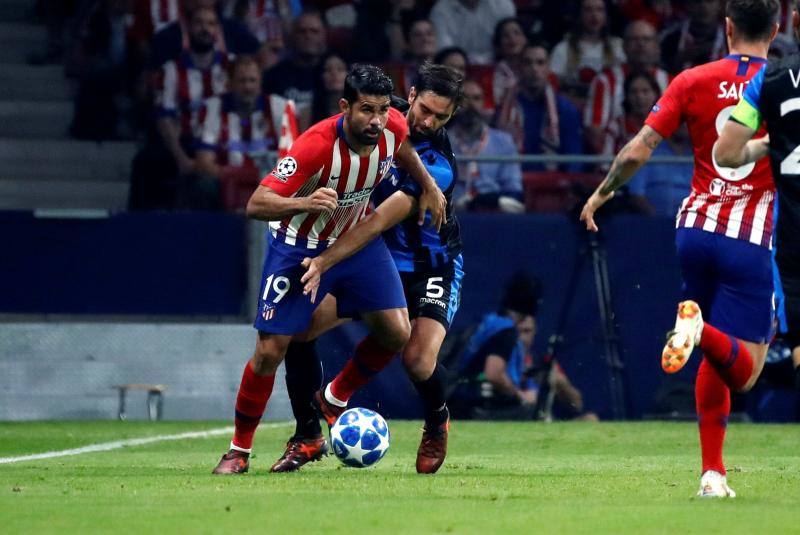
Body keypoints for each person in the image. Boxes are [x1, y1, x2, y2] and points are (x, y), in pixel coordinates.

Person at [579, 0, 780, 498]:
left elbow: (638, 148)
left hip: (694, 229)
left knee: (713, 355)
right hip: (750, 234)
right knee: (747, 371)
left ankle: (712, 475)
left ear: (728, 28)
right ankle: (698, 329)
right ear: (777, 29)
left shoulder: (692, 79)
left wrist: (602, 193)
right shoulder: (783, 83)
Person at [211, 63, 447, 475]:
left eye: (380, 110)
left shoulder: (391, 124)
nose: (375, 121)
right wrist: (303, 202)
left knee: (396, 332)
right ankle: (238, 451)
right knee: (270, 351)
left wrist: (427, 183)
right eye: (365, 111)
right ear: (345, 106)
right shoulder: (314, 146)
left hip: (356, 244)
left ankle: (333, 400)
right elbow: (256, 204)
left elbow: (402, 145)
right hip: (298, 247)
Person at [276, 62, 465, 475]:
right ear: (410, 95)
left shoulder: (439, 167)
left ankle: (436, 419)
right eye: (425, 110)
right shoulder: (383, 114)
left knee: (417, 360)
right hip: (377, 260)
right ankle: (308, 433)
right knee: (298, 329)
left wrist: (324, 260)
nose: (428, 121)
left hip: (430, 266)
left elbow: (377, 220)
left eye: (441, 117)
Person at [715, 0, 800, 429]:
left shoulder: (769, 80)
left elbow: (726, 153)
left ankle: (704, 335)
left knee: (759, 365)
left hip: (789, 236)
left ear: (795, 24)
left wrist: (769, 145)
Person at [449, 271, 596, 421]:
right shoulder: (504, 332)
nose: (520, 337)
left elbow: (577, 404)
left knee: (590, 419)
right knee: (535, 413)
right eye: (518, 331)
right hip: (487, 410)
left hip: (474, 406)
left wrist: (560, 383)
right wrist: (521, 396)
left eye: (527, 331)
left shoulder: (542, 363)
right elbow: (493, 373)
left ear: (535, 332)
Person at [128, 5, 229, 210]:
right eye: (199, 23)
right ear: (188, 28)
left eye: (210, 24)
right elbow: (165, 118)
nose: (205, 29)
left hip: (220, 144)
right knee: (146, 161)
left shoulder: (231, 68)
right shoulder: (170, 69)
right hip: (183, 142)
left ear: (217, 29)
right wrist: (181, 158)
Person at [193, 55, 282, 208]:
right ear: (230, 84)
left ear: (260, 83)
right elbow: (204, 163)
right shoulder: (212, 108)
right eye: (242, 81)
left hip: (271, 184)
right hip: (225, 183)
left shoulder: (279, 107)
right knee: (204, 184)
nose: (248, 87)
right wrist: (241, 175)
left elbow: (295, 161)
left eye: (252, 80)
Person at [584, 20, 671, 157]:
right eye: (634, 40)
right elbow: (595, 133)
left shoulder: (671, 82)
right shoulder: (604, 82)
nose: (641, 44)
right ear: (624, 46)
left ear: (656, 46)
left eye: (646, 39)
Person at [496, 43, 584, 172]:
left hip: (554, 183)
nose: (534, 69)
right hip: (513, 181)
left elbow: (574, 160)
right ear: (519, 68)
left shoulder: (565, 109)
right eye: (528, 63)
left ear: (548, 68)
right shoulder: (504, 109)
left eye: (540, 63)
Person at [449, 79, 523, 212]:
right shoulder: (441, 141)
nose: (470, 105)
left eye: (476, 98)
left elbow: (513, 188)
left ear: (483, 103)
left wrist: (496, 202)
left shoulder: (504, 141)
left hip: (494, 211)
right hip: (453, 212)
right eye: (464, 99)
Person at [549, 0, 626, 103]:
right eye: (588, 10)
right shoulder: (563, 48)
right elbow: (552, 83)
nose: (594, 15)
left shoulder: (618, 46)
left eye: (599, 10)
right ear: (579, 14)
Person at [262, 10, 327, 131]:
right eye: (302, 31)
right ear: (292, 36)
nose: (308, 36)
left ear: (324, 36)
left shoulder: (334, 74)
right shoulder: (273, 76)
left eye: (314, 31)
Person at [429, 0, 516, 64]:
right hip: (459, 71)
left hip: (499, 66)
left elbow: (512, 41)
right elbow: (444, 51)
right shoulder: (440, 11)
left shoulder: (503, 4)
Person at [660, 0, 726, 75]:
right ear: (688, 5)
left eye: (709, 1)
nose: (703, 7)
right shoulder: (670, 38)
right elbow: (660, 75)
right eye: (697, 2)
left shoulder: (733, 38)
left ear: (720, 5)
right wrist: (679, 60)